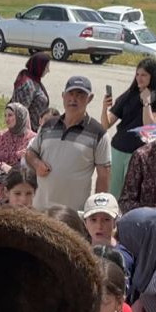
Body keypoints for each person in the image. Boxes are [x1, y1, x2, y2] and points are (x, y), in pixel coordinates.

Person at [25, 75, 108, 211]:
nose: (73, 99)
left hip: (72, 215)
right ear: (63, 96)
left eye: (80, 94)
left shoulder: (98, 133)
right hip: (40, 210)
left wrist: (97, 210)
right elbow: (30, 152)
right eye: (70, 93)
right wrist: (37, 163)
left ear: (90, 98)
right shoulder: (47, 126)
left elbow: (104, 176)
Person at [100, 59, 156, 197]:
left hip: (139, 153)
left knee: (131, 194)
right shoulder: (128, 95)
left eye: (144, 75)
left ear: (153, 76)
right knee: (113, 193)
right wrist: (104, 108)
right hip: (118, 149)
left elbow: (149, 127)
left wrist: (146, 102)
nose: (139, 78)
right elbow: (106, 124)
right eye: (137, 74)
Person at [0, 101, 34, 174]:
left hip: (21, 178)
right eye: (5, 116)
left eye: (10, 115)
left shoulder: (32, 139)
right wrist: (2, 166)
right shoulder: (0, 136)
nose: (7, 119)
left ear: (20, 116)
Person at [10, 52, 50, 122]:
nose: (48, 70)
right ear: (39, 66)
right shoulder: (27, 85)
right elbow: (20, 113)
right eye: (46, 67)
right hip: (28, 128)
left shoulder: (34, 80)